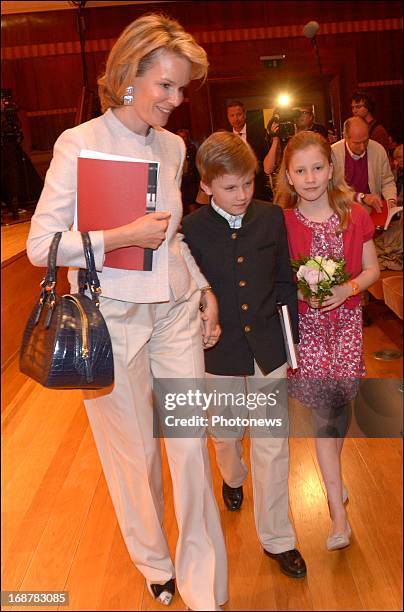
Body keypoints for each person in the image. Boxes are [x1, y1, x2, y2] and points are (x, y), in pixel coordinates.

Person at [26, 14, 228, 612]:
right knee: (135, 458)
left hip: (174, 312)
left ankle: (203, 585)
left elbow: (170, 238)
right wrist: (118, 236)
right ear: (129, 75)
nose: (176, 99)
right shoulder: (79, 142)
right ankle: (154, 563)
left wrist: (203, 288)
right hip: (109, 321)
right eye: (167, 85)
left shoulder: (173, 146)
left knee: (190, 448)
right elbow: (41, 246)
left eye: (183, 88)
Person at [182, 131, 307, 580]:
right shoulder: (190, 229)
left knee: (274, 446)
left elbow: (283, 283)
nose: (241, 196)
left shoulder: (272, 218)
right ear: (208, 184)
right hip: (219, 354)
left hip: (268, 349)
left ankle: (278, 538)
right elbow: (188, 289)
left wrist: (291, 341)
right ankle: (233, 476)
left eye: (248, 185)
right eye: (231, 188)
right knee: (226, 433)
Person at [275, 131, 380, 550]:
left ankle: (334, 479)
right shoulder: (281, 224)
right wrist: (301, 292)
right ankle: (338, 515)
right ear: (288, 175)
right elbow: (279, 278)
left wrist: (347, 289)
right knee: (323, 418)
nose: (311, 177)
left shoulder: (354, 215)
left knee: (340, 409)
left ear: (330, 168)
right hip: (309, 333)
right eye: (300, 171)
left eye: (317, 167)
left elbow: (371, 270)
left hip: (347, 327)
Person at [331, 116, 397, 213]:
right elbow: (333, 190)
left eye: (366, 141)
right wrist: (362, 197)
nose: (362, 147)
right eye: (357, 143)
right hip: (343, 211)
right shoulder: (333, 154)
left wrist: (391, 200)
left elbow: (387, 181)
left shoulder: (378, 150)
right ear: (345, 137)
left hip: (372, 210)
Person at [226, 100, 270, 201]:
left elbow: (265, 157)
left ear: (244, 114)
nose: (236, 119)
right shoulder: (225, 136)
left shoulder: (259, 132)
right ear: (228, 117)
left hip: (257, 183)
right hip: (234, 184)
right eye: (232, 115)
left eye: (239, 114)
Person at [176, 128, 199, 215]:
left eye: (184, 137)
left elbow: (194, 165)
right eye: (179, 137)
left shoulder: (191, 148)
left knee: (191, 201)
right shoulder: (175, 149)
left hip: (191, 180)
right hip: (180, 180)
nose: (182, 139)